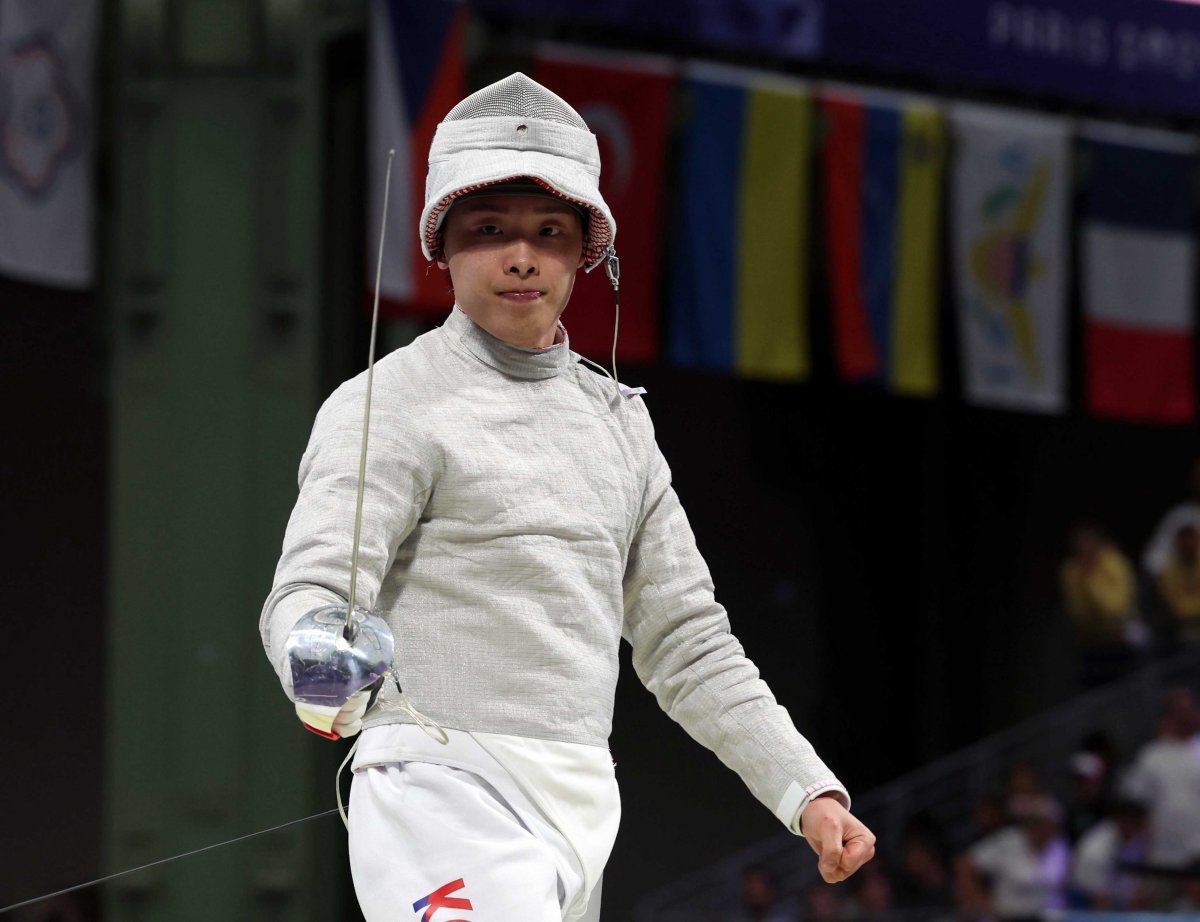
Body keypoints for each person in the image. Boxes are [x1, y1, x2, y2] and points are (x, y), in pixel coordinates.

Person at [259, 72, 875, 922]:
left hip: (580, 802)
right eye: (489, 230)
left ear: (589, 248)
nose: (521, 255)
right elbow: (315, 588)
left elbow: (688, 642)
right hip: (439, 791)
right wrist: (318, 657)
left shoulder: (617, 426)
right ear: (442, 245)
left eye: (550, 231)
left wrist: (804, 788)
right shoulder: (391, 403)